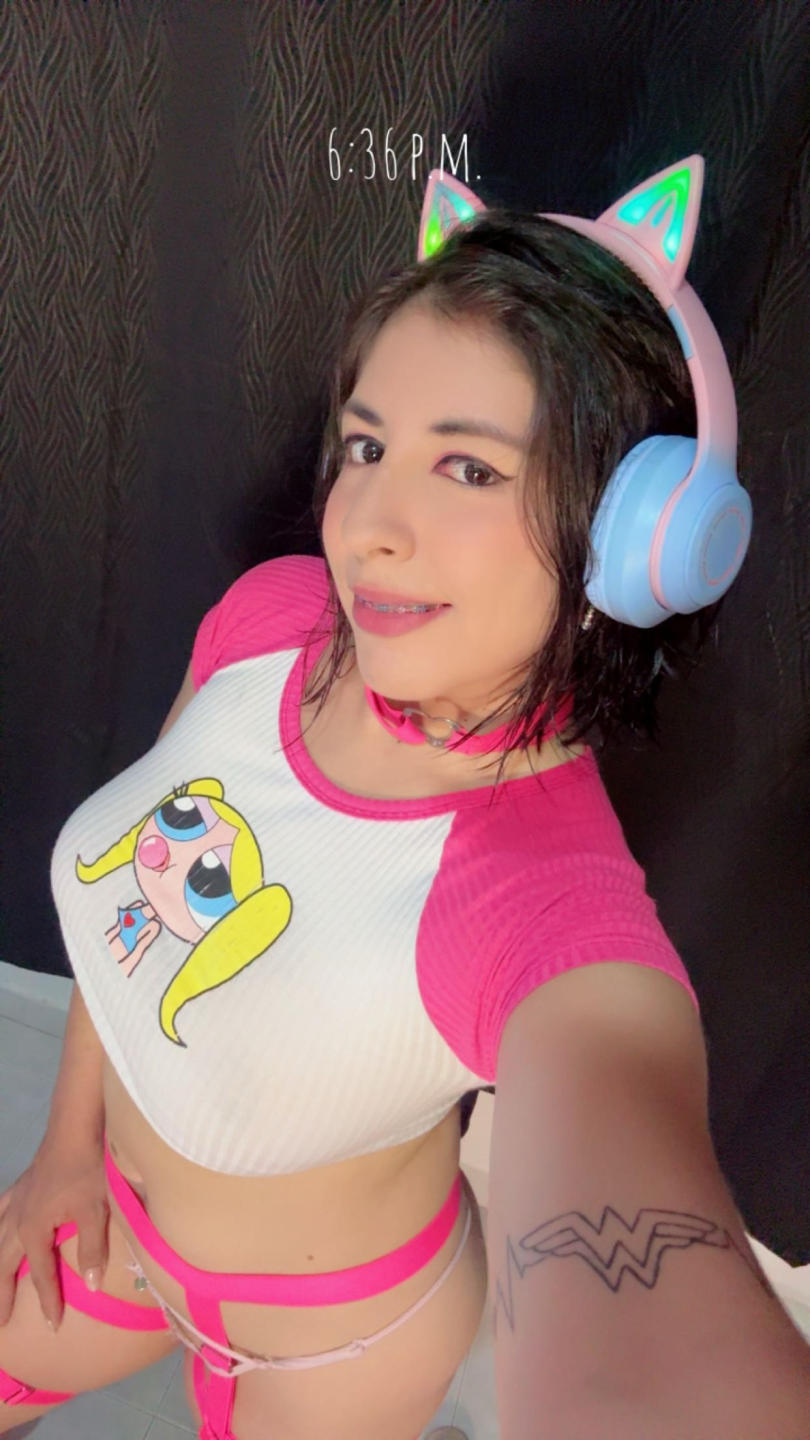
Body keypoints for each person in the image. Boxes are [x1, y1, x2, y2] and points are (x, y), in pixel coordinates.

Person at [0, 158, 751, 1440]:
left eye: (470, 469)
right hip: (112, 1223)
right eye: (368, 446)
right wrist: (65, 1145)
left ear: (638, 542)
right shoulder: (271, 617)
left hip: (339, 1345)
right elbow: (140, 915)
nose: (369, 526)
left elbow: (642, 1203)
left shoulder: (541, 891)